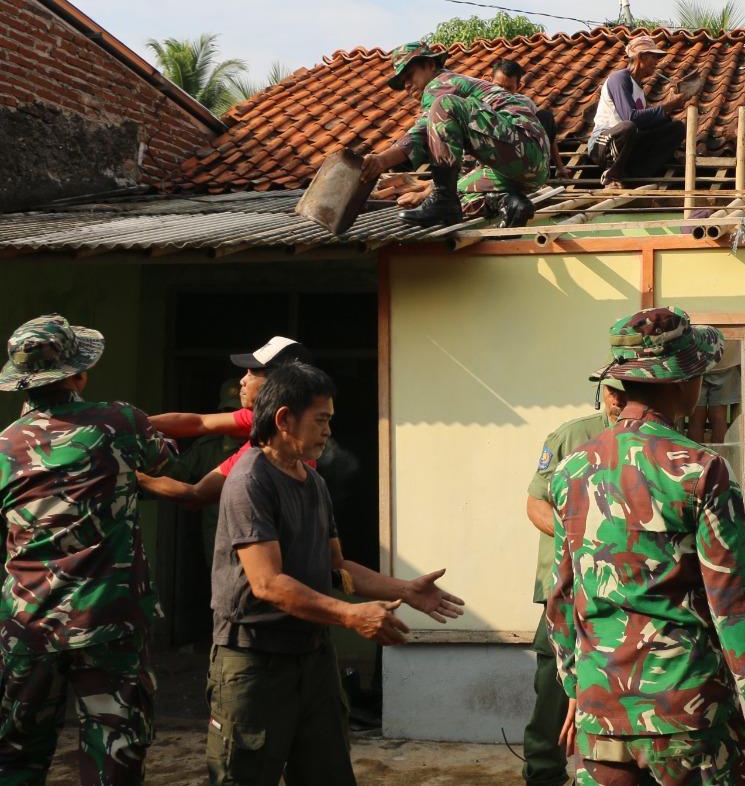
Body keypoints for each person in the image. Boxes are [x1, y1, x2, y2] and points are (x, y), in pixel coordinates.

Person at [547, 308, 745, 782]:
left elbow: (562, 596)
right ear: (684, 382)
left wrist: (577, 686)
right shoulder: (699, 470)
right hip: (684, 712)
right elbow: (733, 604)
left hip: (602, 710)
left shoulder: (573, 470)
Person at [208, 361, 465, 785]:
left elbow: (337, 567)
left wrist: (405, 589)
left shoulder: (313, 482)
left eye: (330, 421)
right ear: (284, 419)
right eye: (321, 420)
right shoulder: (250, 480)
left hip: (312, 655)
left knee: (327, 772)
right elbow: (267, 583)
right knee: (245, 774)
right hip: (254, 659)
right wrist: (350, 615)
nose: (328, 431)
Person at [0, 314, 177, 784]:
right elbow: (162, 458)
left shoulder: (4, 446)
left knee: (15, 758)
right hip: (108, 621)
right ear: (78, 374)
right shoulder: (119, 421)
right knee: (114, 759)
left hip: (27, 625)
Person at [520, 376, 624, 786]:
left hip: (623, 590)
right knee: (553, 683)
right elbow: (535, 503)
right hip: (566, 587)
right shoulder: (572, 437)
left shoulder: (657, 440)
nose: (616, 398)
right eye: (610, 389)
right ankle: (543, 771)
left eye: (624, 389)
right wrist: (577, 538)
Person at [360, 41, 552, 228]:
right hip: (529, 169)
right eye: (403, 82)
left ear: (430, 65)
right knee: (459, 192)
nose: (407, 85)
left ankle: (443, 200)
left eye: (409, 75)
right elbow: (463, 160)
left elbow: (421, 132)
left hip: (522, 144)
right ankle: (510, 202)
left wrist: (381, 161)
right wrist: (427, 193)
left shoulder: (440, 83)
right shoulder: (462, 118)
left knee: (443, 105)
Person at [139, 335, 312, 524]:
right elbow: (199, 423)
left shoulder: (271, 449)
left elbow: (195, 496)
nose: (242, 381)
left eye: (252, 373)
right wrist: (130, 421)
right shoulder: (271, 418)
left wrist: (132, 477)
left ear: (276, 383)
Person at [587, 33, 691, 185]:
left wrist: (668, 110)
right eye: (653, 57)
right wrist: (667, 106)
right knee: (628, 126)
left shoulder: (639, 89)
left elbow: (645, 122)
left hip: (628, 147)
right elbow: (631, 117)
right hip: (602, 144)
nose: (656, 62)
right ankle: (612, 173)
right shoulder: (620, 79)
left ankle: (636, 173)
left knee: (676, 127)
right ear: (641, 57)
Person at [487, 58, 568, 180]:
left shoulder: (525, 103)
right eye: (498, 86)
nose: (502, 93)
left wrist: (559, 166)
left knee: (545, 116)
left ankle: (538, 170)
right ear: (490, 81)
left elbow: (547, 133)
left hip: (523, 156)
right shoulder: (481, 103)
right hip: (495, 156)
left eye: (508, 88)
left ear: (518, 87)